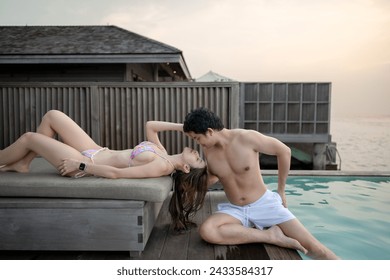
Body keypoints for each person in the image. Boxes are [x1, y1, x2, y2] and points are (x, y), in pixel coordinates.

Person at [182, 107, 339, 260]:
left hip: (264, 204)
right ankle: (270, 236)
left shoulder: (247, 138)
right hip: (236, 209)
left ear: (209, 131)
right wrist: (187, 184)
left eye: (197, 138)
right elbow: (215, 177)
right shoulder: (209, 150)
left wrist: (281, 190)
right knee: (207, 231)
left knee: (315, 249)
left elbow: (284, 151)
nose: (197, 143)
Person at [0, 110, 206, 179]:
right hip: (96, 150)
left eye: (197, 159)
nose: (197, 152)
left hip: (83, 163)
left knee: (29, 138)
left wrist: (79, 165)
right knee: (52, 116)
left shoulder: (161, 166)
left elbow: (116, 174)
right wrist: (186, 127)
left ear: (186, 167)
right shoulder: (162, 153)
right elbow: (150, 126)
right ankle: (23, 164)